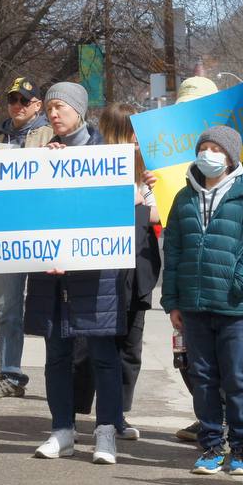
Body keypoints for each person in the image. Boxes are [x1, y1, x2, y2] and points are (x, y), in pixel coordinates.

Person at [24, 82, 129, 465]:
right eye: (49, 108)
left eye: (60, 108)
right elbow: (27, 213)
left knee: (102, 353)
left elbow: (112, 215)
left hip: (96, 275)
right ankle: (62, 430)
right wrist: (43, 168)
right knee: (57, 355)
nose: (53, 114)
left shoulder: (106, 156)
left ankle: (105, 433)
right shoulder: (39, 155)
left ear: (79, 111)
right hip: (52, 274)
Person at [163, 126, 243, 476]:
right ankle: (212, 444)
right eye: (204, 147)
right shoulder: (184, 198)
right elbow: (174, 249)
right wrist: (173, 301)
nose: (209, 154)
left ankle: (241, 447)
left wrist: (238, 280)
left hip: (234, 306)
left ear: (230, 157)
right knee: (203, 378)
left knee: (237, 378)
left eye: (217, 149)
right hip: (195, 305)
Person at [70, 103, 160, 440]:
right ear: (116, 131)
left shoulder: (150, 167)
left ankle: (117, 415)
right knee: (92, 343)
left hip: (140, 267)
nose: (138, 140)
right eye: (132, 132)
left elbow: (161, 213)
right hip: (103, 266)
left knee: (130, 344)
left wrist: (150, 193)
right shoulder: (94, 163)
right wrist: (132, 203)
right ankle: (78, 413)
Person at [0, 76, 53, 399]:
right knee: (8, 307)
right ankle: (10, 373)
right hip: (7, 233)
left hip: (45, 233)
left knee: (52, 310)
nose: (17, 106)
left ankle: (61, 378)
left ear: (38, 105)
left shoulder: (53, 135)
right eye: (13, 100)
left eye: (24, 100)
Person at [166, 76, 221, 444]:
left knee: (225, 361)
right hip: (187, 275)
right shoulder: (168, 147)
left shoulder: (228, 151)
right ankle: (206, 415)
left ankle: (226, 422)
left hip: (223, 279)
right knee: (186, 355)